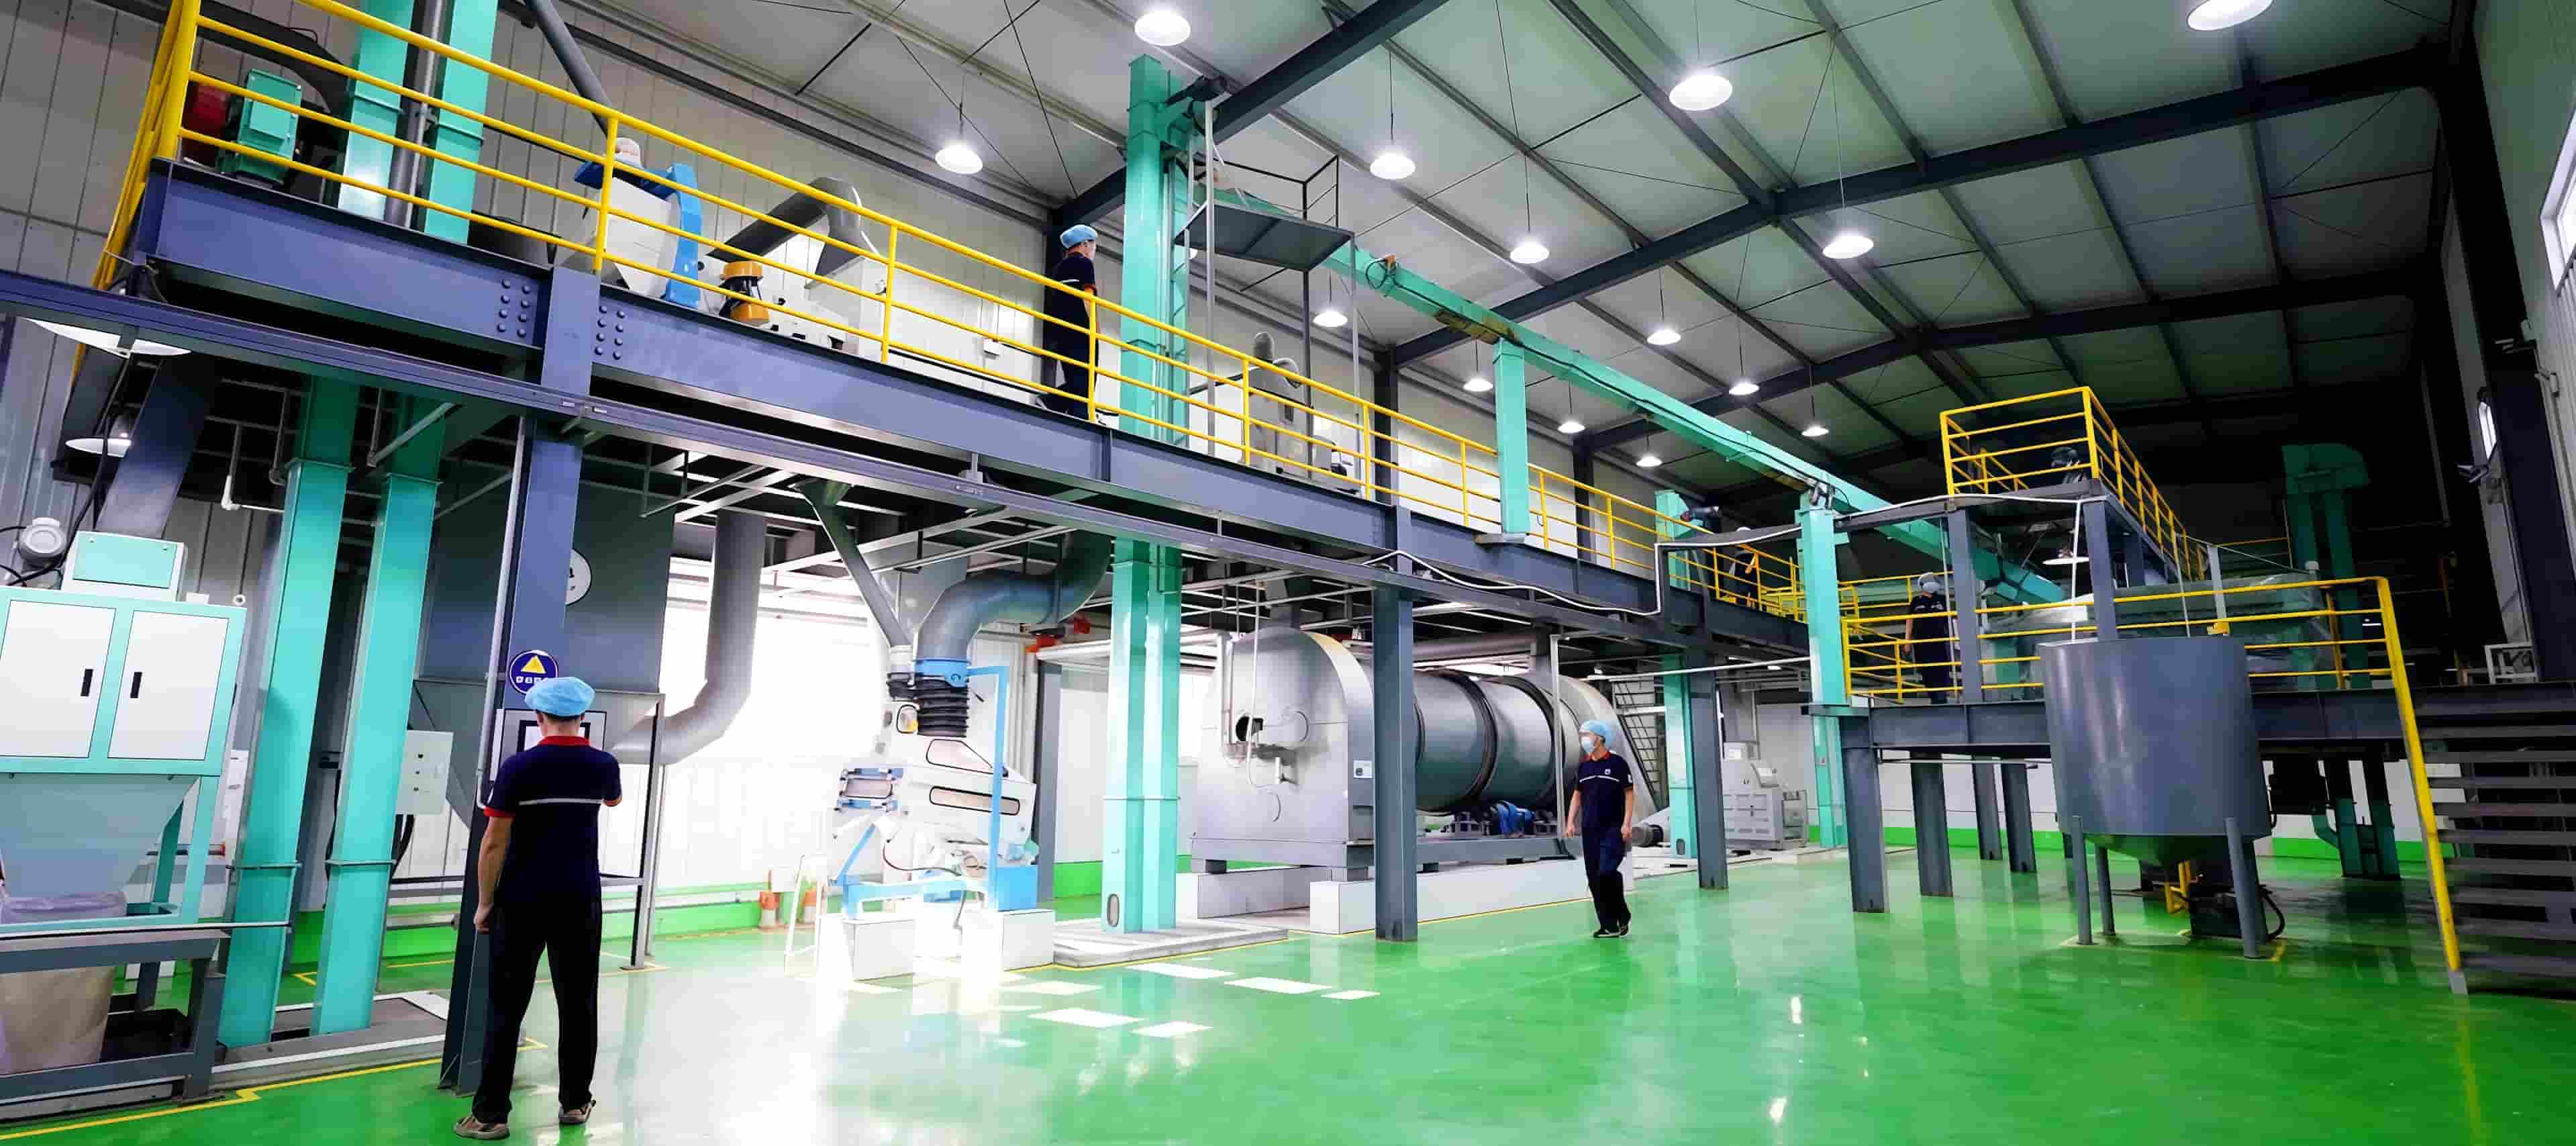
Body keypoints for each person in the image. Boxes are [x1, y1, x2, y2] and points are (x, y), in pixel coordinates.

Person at [456, 677, 622, 1140]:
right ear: (582, 717)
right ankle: (575, 1102)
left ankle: (490, 1114)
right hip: (580, 899)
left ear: (539, 717)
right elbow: (612, 799)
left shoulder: (518, 768)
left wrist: (485, 903)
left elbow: (494, 843)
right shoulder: (604, 765)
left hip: (521, 900)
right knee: (579, 1002)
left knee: (506, 1007)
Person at [1561, 719, 1636, 939]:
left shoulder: (1618, 764)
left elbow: (1629, 793)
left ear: (1600, 738)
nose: (1583, 739)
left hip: (1613, 829)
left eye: (1587, 735)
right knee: (1594, 878)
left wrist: (1626, 823)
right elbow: (1577, 795)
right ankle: (1609, 926)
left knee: (1607, 872)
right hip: (1590, 830)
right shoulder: (1584, 767)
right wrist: (1570, 821)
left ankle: (1622, 914)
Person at [1038, 224, 1101, 419]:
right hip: (1080, 331)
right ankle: (1060, 405)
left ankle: (1063, 406)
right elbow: (1088, 298)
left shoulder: (1060, 268)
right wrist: (1094, 328)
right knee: (1087, 378)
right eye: (1094, 246)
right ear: (1085, 244)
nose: (1094, 250)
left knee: (1075, 377)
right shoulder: (1084, 263)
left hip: (1061, 333)